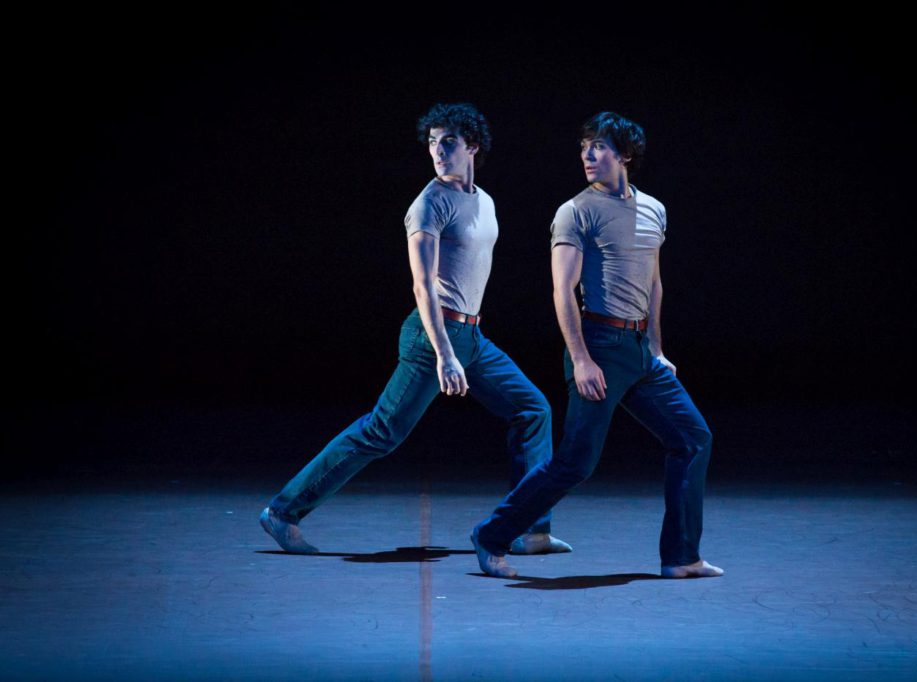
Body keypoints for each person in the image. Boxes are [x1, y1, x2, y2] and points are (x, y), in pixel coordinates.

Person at [260, 103, 570, 556]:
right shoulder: (429, 204)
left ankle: (529, 527)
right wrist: (445, 354)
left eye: (448, 142)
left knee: (533, 410)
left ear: (473, 146)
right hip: (433, 337)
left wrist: (462, 343)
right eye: (432, 143)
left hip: (471, 338)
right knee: (382, 432)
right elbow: (423, 285)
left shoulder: (484, 201)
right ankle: (283, 511)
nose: (438, 151)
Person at [470, 112, 723, 579]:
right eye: (585, 146)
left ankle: (682, 557)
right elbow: (561, 290)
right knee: (576, 463)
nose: (588, 154)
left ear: (624, 154)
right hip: (600, 346)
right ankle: (491, 535)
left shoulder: (654, 209)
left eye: (600, 146)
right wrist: (582, 359)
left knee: (692, 438)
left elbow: (654, 282)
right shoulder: (575, 211)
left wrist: (657, 348)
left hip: (640, 353)